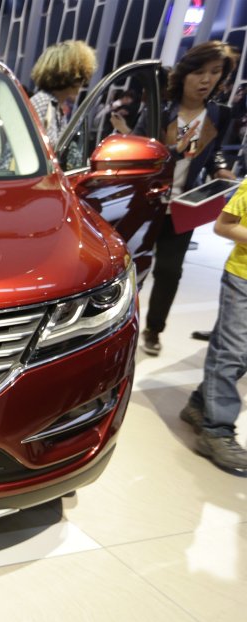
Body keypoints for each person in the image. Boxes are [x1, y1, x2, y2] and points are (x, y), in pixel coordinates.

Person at [135, 41, 237, 356]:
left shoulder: (218, 114)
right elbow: (139, 150)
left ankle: (153, 329)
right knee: (133, 270)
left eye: (215, 73)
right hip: (147, 205)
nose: (206, 80)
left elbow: (211, 152)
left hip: (183, 208)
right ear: (184, 74)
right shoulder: (160, 109)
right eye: (199, 72)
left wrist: (220, 168)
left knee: (169, 270)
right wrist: (173, 150)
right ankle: (121, 325)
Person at [179, 178, 247, 473]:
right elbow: (223, 225)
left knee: (237, 352)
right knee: (233, 352)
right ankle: (216, 431)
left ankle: (198, 404)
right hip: (243, 278)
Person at [29, 40, 97, 146]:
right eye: (80, 75)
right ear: (67, 74)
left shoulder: (56, 107)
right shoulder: (43, 102)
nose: (83, 82)